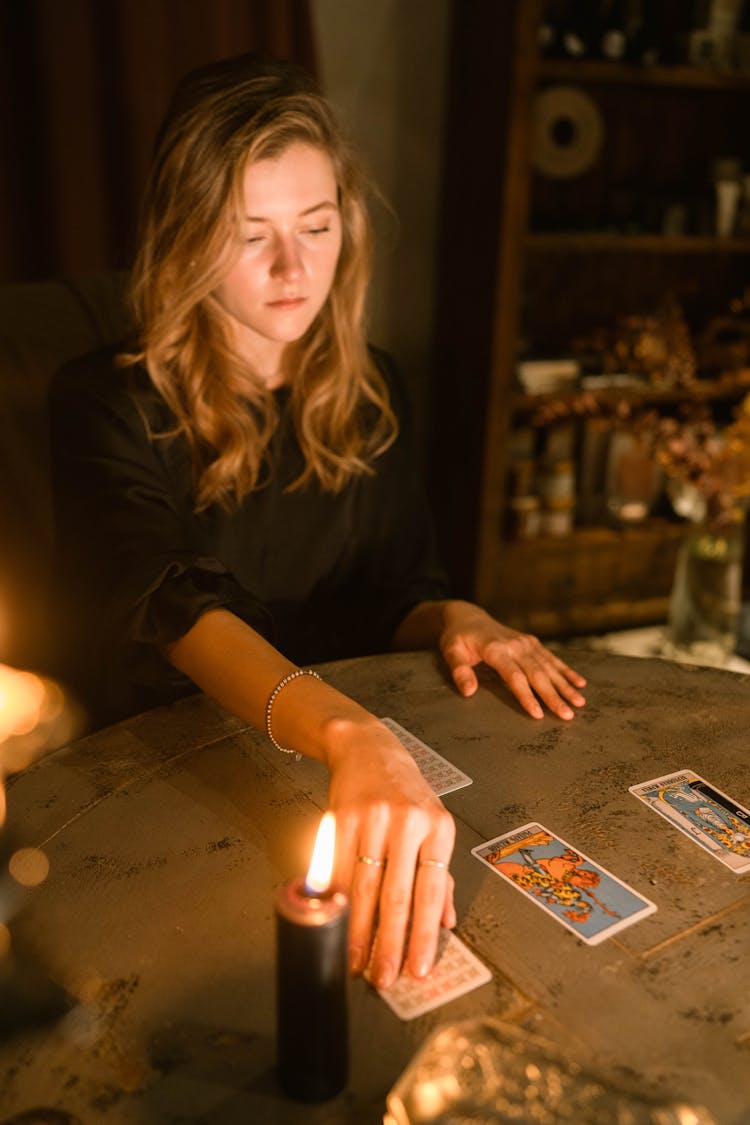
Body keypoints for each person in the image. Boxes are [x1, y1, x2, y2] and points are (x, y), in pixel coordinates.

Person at [49, 54, 586, 990]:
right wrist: (349, 733)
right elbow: (169, 603)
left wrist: (451, 617)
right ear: (186, 238)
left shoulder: (372, 385)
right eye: (250, 233)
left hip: (326, 767)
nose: (295, 267)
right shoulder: (101, 401)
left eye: (317, 224)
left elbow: (395, 592)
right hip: (160, 777)